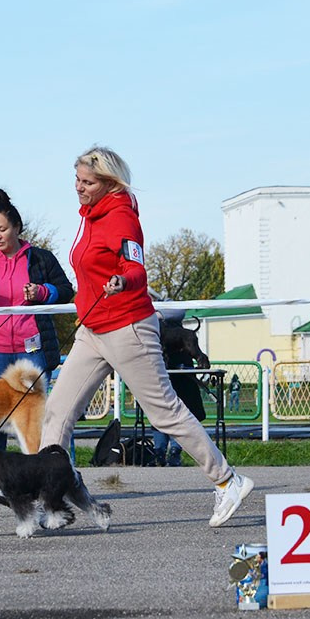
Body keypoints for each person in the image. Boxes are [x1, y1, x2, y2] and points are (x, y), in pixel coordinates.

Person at [39, 146, 253, 528]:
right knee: (57, 411)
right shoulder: (89, 217)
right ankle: (49, 497)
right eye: (77, 180)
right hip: (92, 329)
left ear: (109, 183)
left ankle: (227, 480)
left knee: (164, 412)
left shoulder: (121, 216)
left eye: (87, 182)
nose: (79, 187)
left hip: (128, 327)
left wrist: (123, 281)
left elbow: (136, 268)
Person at [0, 188, 74, 450]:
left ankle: (46, 467)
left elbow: (66, 290)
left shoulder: (41, 258)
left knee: (36, 418)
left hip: (32, 349)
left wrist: (42, 292)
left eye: (2, 229)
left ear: (17, 227)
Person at [151, 310, 211, 467]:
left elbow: (178, 312)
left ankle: (174, 451)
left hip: (182, 369)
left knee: (181, 410)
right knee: (158, 411)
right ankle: (159, 452)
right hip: (161, 371)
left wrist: (157, 313)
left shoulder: (169, 305)